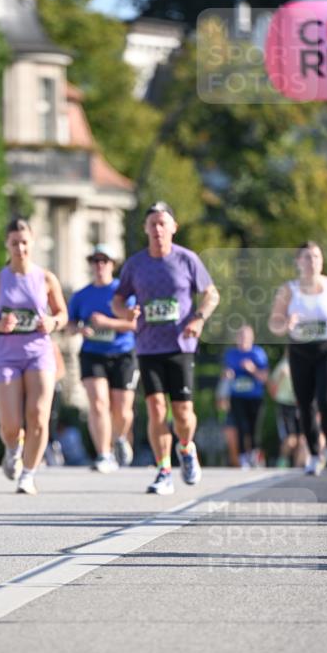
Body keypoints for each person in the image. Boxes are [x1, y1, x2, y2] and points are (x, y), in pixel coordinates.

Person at [112, 202, 220, 495]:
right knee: (156, 409)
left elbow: (211, 294)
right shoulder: (135, 264)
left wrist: (198, 318)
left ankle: (186, 448)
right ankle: (163, 470)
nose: (158, 229)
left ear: (173, 227)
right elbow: (118, 300)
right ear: (145, 229)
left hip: (180, 345)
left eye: (163, 223)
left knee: (183, 413)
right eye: (153, 224)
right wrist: (124, 313)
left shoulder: (187, 260)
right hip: (147, 347)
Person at [0, 218, 68, 495]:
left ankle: (28, 474)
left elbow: (63, 315)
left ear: (33, 242)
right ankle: (12, 448)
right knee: (10, 425)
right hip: (5, 354)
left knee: (39, 416)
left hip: (39, 352)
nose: (20, 248)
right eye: (15, 243)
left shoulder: (46, 278)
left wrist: (52, 323)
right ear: (7, 244)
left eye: (25, 242)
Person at [269, 241, 327, 475]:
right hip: (300, 351)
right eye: (306, 257)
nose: (312, 261)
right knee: (305, 404)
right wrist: (287, 323)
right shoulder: (289, 289)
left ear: (322, 260)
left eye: (316, 256)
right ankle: (315, 454)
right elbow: (274, 322)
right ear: (298, 262)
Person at [67, 243, 138, 473]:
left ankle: (120, 438)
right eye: (95, 261)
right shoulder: (81, 295)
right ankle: (103, 454)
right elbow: (68, 324)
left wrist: (107, 323)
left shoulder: (123, 292)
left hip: (123, 353)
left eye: (104, 261)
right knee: (98, 403)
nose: (99, 265)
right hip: (92, 354)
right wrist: (79, 329)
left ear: (112, 264)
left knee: (123, 409)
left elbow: (134, 324)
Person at [222, 325, 269, 468]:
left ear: (252, 338)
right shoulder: (231, 354)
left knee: (254, 428)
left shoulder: (258, 353)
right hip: (237, 396)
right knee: (240, 426)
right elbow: (225, 374)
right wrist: (227, 374)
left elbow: (264, 377)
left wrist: (252, 369)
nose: (243, 340)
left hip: (255, 397)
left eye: (246, 337)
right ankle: (242, 457)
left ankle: (254, 454)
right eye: (241, 336)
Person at [267, 350, 308, 468]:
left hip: (300, 405)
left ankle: (296, 469)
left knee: (302, 440)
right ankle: (282, 462)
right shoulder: (283, 365)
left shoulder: (305, 365)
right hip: (285, 405)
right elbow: (272, 391)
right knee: (290, 440)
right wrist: (280, 377)